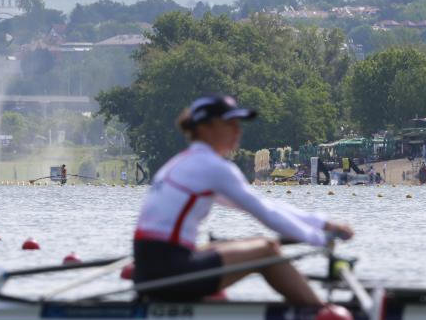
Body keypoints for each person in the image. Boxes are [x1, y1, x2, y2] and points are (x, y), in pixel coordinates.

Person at [132, 95, 354, 305]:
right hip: (168, 274)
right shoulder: (212, 167)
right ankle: (319, 311)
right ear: (205, 127)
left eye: (238, 123)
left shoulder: (181, 163)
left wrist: (323, 223)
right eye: (229, 123)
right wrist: (319, 239)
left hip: (151, 269)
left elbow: (267, 206)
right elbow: (266, 213)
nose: (238, 130)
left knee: (243, 244)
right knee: (266, 249)